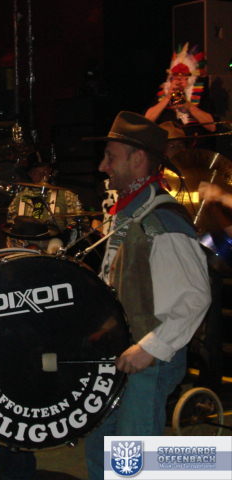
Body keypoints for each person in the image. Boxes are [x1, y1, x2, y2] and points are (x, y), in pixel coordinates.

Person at [83, 111, 211, 480]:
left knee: (130, 462)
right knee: (100, 448)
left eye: (111, 157)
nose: (102, 166)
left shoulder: (162, 220)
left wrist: (149, 349)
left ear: (138, 159)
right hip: (123, 354)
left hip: (147, 362)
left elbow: (195, 298)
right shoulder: (131, 212)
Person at [6, 154, 83, 253]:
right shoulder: (19, 198)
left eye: (46, 171)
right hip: (25, 245)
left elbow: (79, 224)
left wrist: (67, 233)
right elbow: (10, 224)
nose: (43, 175)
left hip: (55, 245)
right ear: (30, 174)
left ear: (51, 172)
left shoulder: (66, 196)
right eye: (37, 172)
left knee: (56, 245)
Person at [145, 43, 215, 134]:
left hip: (192, 140)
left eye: (183, 77)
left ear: (191, 79)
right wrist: (167, 97)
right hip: (168, 140)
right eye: (175, 76)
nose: (179, 80)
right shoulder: (163, 93)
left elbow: (212, 127)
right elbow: (146, 121)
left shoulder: (199, 93)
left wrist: (188, 105)